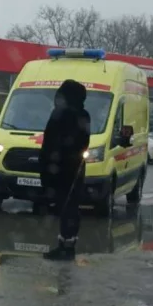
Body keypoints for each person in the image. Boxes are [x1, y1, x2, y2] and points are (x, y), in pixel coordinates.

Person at [39, 79, 90, 261]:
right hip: (75, 169)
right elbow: (83, 143)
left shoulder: (60, 114)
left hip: (59, 169)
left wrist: (46, 168)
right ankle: (69, 244)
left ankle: (64, 247)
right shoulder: (84, 115)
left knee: (65, 207)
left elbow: (50, 144)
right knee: (71, 207)